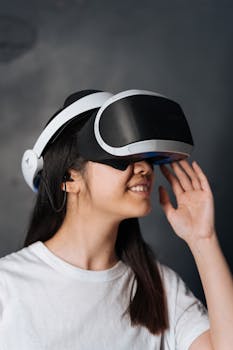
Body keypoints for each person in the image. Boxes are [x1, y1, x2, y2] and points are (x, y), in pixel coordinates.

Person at [0, 90, 232, 350]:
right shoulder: (7, 285)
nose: (144, 168)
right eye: (122, 159)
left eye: (145, 159)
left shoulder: (160, 289)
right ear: (69, 178)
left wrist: (204, 239)